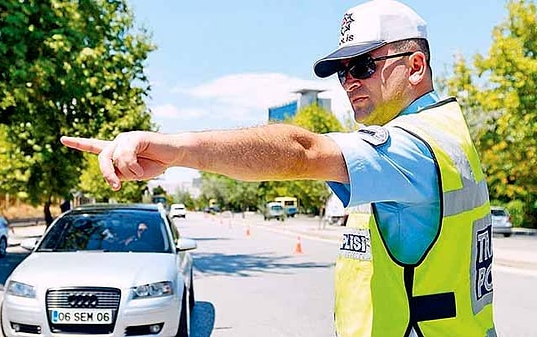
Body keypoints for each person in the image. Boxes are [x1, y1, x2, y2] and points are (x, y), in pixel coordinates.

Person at [61, 1, 496, 336]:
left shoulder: (412, 149)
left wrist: (171, 149)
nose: (349, 82)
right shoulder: (446, 133)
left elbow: (299, 151)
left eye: (363, 66)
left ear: (415, 66)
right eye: (342, 72)